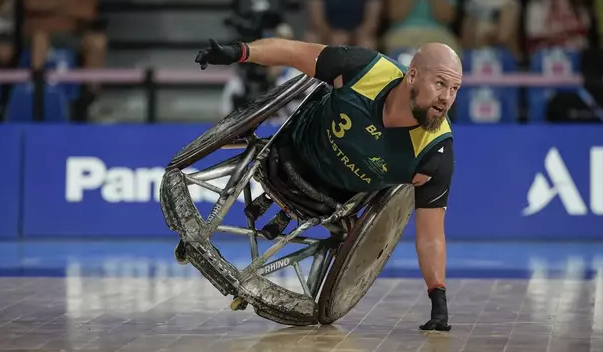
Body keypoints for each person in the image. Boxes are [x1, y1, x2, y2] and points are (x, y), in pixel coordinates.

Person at [193, 38, 461, 332]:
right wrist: (239, 52)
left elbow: (431, 235)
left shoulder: (434, 155)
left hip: (328, 202)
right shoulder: (364, 68)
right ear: (412, 76)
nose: (446, 98)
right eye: (440, 84)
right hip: (286, 154)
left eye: (454, 90)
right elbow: (293, 52)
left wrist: (438, 297)